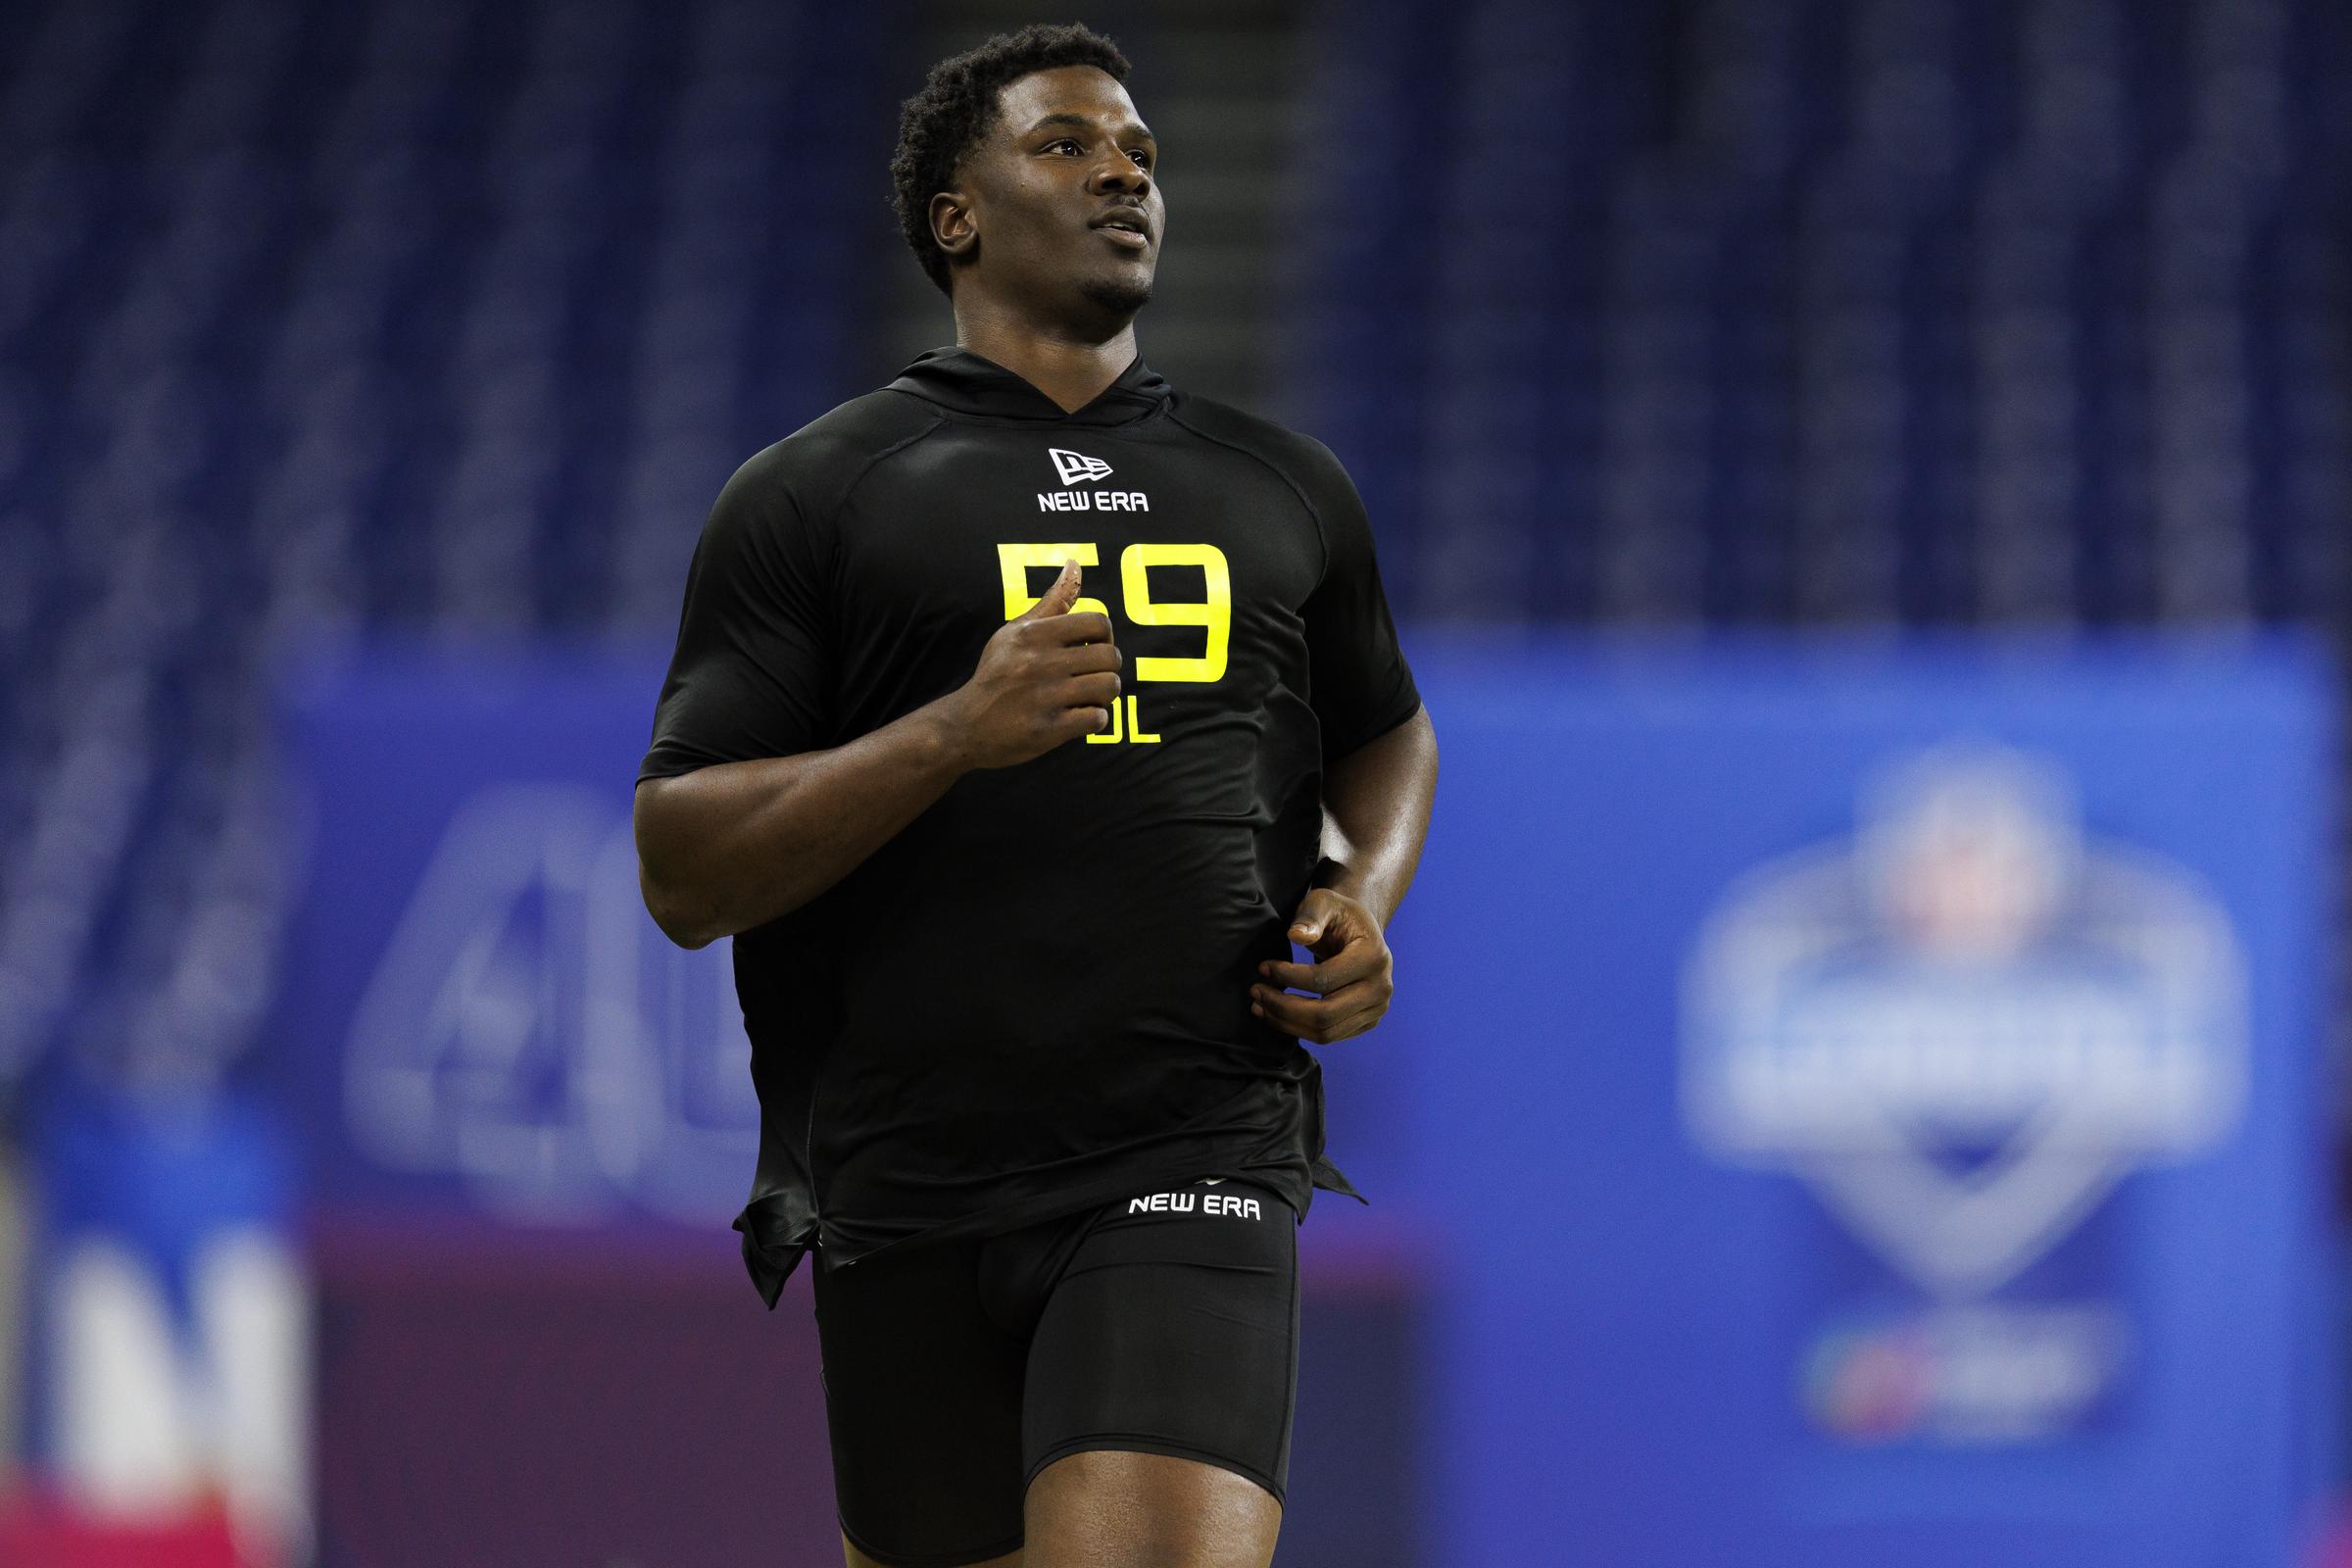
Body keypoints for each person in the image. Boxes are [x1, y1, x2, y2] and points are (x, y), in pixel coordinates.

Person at [632, 23, 1438, 1568]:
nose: (1125, 169)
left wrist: (1361, 893)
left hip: (1194, 1138)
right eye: (1068, 144)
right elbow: (682, 867)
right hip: (908, 1180)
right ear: (957, 214)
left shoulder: (1282, 483)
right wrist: (953, 733)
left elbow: (1388, 733)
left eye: (1139, 148)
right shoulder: (815, 493)